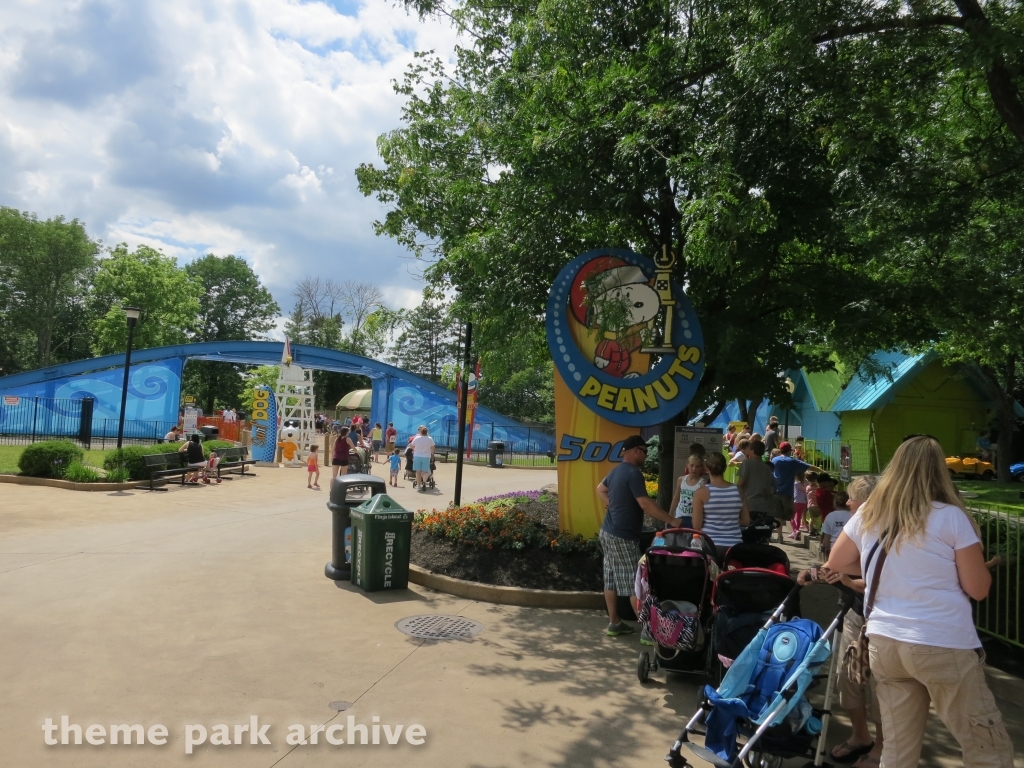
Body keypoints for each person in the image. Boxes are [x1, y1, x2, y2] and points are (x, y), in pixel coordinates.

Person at [825, 436, 1013, 768]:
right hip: (941, 642)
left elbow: (837, 562)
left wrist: (891, 568)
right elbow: (978, 588)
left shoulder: (869, 511)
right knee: (987, 747)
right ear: (940, 471)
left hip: (885, 642)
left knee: (897, 751)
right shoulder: (951, 517)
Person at [796, 474, 883, 768]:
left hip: (882, 620)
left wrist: (844, 577)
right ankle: (860, 736)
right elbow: (836, 565)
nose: (847, 503)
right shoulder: (856, 527)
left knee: (881, 687)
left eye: (852, 498)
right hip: (856, 613)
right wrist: (814, 572)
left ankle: (881, 747)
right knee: (847, 678)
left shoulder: (888, 532)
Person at [596, 436, 677, 636]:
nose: (646, 455)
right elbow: (645, 504)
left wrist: (612, 503)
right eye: (644, 451)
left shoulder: (616, 471)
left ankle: (615, 623)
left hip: (607, 532)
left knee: (611, 580)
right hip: (623, 536)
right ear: (636, 451)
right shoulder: (633, 473)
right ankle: (648, 632)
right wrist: (672, 520)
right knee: (635, 584)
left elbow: (600, 489)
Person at [693, 451, 750, 561]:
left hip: (710, 545)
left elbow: (696, 525)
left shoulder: (701, 492)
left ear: (707, 469)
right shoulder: (738, 490)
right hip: (734, 546)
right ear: (724, 468)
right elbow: (746, 521)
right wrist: (728, 519)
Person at [771, 442, 819, 532]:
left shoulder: (774, 460)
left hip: (776, 491)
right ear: (789, 451)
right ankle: (794, 530)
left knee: (777, 515)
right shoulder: (792, 461)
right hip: (787, 492)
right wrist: (821, 470)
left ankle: (780, 535)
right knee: (789, 515)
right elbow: (809, 467)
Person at [736, 440, 775, 533]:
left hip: (748, 505)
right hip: (763, 506)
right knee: (759, 533)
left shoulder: (746, 463)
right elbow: (770, 488)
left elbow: (741, 482)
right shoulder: (767, 468)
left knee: (747, 533)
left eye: (749, 449)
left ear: (752, 450)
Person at [669, 454, 706, 528]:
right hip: (679, 516)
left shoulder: (702, 484)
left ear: (701, 468)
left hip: (693, 519)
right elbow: (676, 498)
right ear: (687, 465)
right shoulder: (681, 480)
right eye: (692, 465)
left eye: (697, 466)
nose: (694, 469)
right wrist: (670, 514)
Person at [820, 490, 851, 559]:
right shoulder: (852, 516)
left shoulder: (830, 516)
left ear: (835, 503)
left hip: (834, 548)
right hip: (850, 548)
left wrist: (826, 549)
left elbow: (827, 537)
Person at [411, 425, 435, 491]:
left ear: (421, 432)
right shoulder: (430, 439)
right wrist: (430, 451)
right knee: (425, 471)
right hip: (426, 457)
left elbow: (411, 446)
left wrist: (415, 450)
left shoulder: (416, 438)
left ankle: (419, 486)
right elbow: (433, 448)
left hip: (417, 456)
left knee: (418, 472)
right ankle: (424, 482)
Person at [790, 470, 808, 540]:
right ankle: (795, 532)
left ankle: (795, 531)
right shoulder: (805, 483)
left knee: (791, 517)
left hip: (796, 501)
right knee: (798, 517)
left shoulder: (796, 484)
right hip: (803, 502)